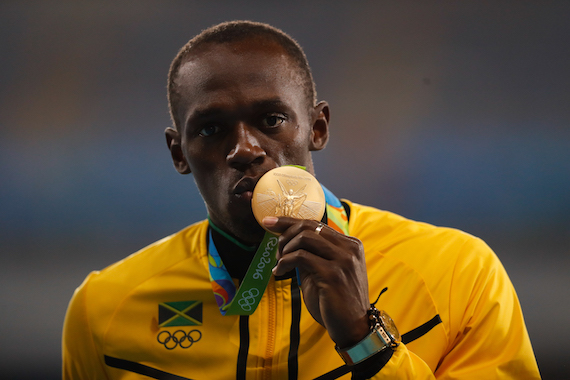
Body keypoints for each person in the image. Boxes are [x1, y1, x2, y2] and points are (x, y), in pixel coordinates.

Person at [62, 21, 541, 379]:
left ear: (317, 127)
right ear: (178, 153)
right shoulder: (105, 310)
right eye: (211, 128)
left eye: (271, 120)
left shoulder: (459, 274)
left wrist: (364, 337)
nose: (245, 149)